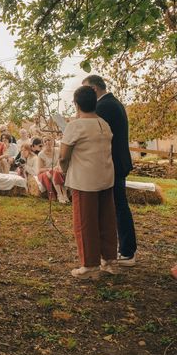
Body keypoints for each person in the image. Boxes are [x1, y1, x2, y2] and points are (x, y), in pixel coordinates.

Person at [59, 85, 117, 279]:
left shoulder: (75, 126)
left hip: (85, 180)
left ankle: (89, 265)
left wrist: (64, 170)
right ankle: (108, 261)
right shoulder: (104, 123)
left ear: (76, 105)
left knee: (85, 222)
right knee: (106, 219)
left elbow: (63, 156)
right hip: (106, 178)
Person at [83, 74, 137, 266]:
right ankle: (123, 249)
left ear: (94, 90)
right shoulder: (114, 103)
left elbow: (92, 131)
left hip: (113, 162)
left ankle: (127, 251)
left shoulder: (104, 106)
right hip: (118, 161)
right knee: (118, 205)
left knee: (118, 206)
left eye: (86, 90)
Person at [37, 136, 68, 203]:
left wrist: (58, 166)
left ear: (53, 141)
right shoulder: (41, 154)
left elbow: (61, 161)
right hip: (45, 172)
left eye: (49, 140)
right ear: (43, 143)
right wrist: (51, 168)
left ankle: (64, 195)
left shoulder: (58, 150)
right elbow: (40, 169)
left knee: (57, 173)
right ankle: (60, 195)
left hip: (57, 170)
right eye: (45, 141)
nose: (47, 142)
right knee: (54, 172)